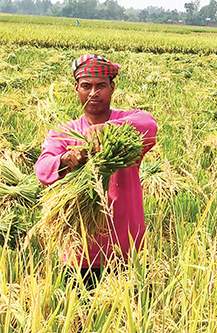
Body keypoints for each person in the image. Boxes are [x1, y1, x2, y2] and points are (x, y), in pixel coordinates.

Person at [34, 54, 157, 285]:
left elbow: (150, 125)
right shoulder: (63, 132)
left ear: (112, 88)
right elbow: (42, 170)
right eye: (86, 86)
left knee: (133, 318)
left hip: (127, 248)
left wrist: (107, 129)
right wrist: (66, 159)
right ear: (76, 89)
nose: (93, 93)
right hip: (80, 252)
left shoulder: (128, 122)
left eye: (101, 86)